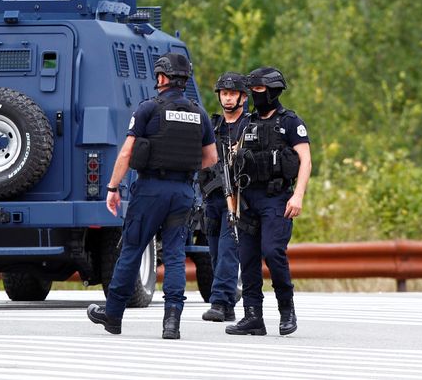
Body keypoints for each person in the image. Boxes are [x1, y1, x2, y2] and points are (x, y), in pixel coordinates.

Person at [87, 52, 218, 339]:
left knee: (131, 250)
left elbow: (127, 152)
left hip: (151, 191)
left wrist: (112, 188)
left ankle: (113, 316)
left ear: (161, 77)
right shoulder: (199, 113)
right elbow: (211, 158)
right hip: (183, 191)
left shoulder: (148, 108)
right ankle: (172, 322)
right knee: (173, 256)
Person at [226, 66, 311, 337]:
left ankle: (286, 310)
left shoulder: (289, 122)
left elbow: (306, 160)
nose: (254, 95)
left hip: (277, 199)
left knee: (273, 252)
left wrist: (298, 195)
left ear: (273, 92)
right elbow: (235, 162)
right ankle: (253, 317)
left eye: (259, 90)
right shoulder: (248, 122)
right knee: (247, 258)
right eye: (252, 90)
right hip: (249, 200)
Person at [200, 72, 250, 323]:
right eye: (224, 93)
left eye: (232, 94)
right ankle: (228, 304)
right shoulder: (213, 125)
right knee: (215, 252)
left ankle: (219, 302)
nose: (228, 98)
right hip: (212, 197)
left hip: (238, 198)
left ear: (243, 96)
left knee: (229, 250)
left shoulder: (249, 126)